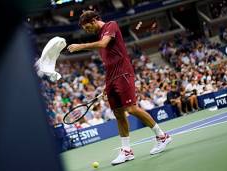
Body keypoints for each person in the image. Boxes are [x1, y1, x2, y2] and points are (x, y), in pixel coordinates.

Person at [67, 10, 172, 165]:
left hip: (123, 74)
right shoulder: (100, 39)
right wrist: (107, 85)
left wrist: (80, 46)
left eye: (88, 27)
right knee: (118, 114)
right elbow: (109, 62)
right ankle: (127, 151)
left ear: (95, 20)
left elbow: (103, 43)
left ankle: (162, 136)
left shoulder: (111, 26)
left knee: (131, 108)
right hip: (111, 78)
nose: (87, 31)